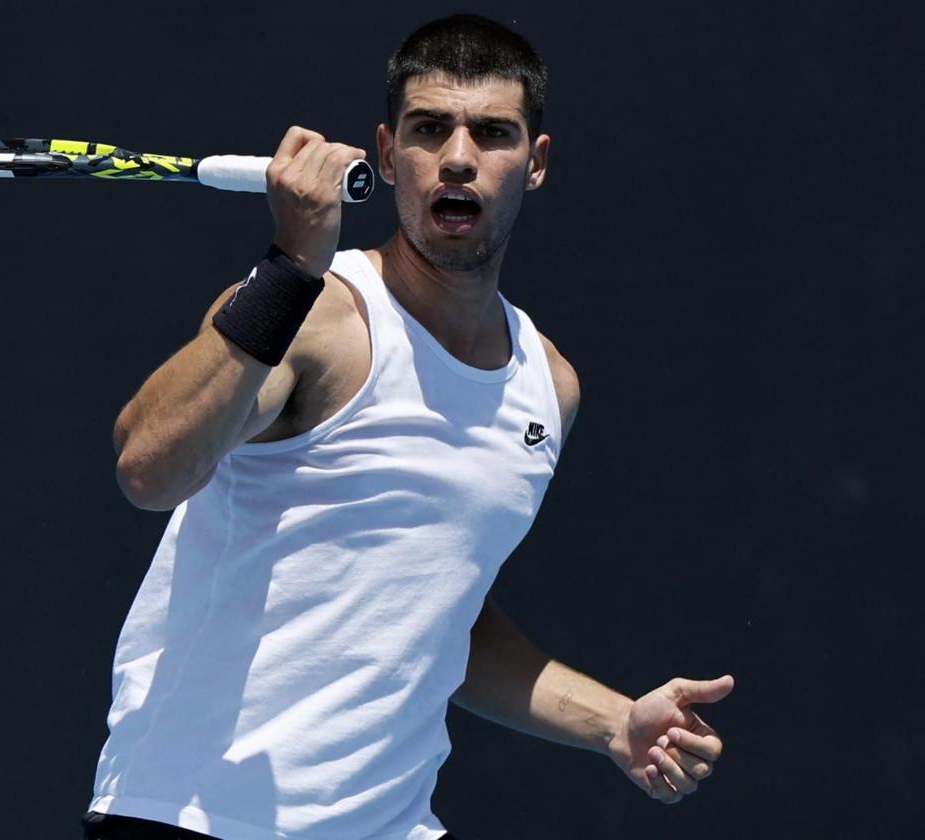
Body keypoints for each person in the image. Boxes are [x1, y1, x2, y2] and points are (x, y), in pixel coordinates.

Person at [82, 13, 734, 840]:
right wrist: (289, 266)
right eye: (431, 129)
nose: (458, 156)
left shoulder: (548, 387)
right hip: (188, 819)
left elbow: (438, 614)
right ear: (389, 157)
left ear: (534, 165)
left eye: (492, 133)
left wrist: (612, 723)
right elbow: (148, 468)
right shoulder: (311, 315)